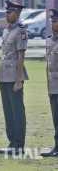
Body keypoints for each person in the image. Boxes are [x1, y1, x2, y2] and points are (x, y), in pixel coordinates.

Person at [0, 1, 28, 155]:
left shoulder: (20, 31)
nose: (6, 14)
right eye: (6, 12)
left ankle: (19, 144)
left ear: (17, 13)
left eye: (9, 12)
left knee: (17, 111)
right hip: (4, 74)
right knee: (8, 110)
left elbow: (21, 56)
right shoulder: (7, 30)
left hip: (14, 75)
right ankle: (11, 143)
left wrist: (19, 79)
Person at [41, 9, 58, 157]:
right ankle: (57, 146)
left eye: (56, 21)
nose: (53, 24)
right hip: (52, 86)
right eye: (52, 21)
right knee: (56, 117)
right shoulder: (49, 40)